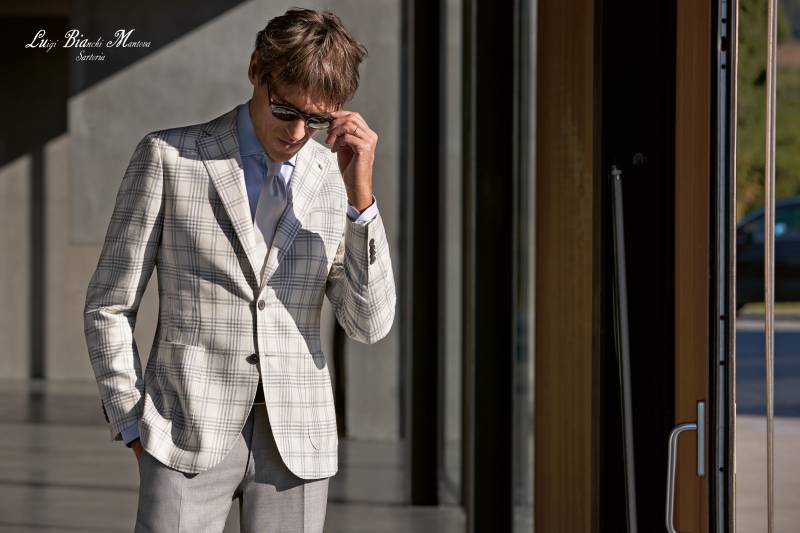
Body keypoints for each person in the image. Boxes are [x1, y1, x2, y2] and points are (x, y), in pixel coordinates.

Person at [83, 8, 396, 532]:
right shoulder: (170, 158)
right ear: (256, 69)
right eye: (285, 109)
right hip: (183, 434)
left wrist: (361, 199)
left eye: (315, 120)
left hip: (297, 442)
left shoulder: (335, 180)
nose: (298, 133)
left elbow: (370, 324)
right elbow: (108, 305)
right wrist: (133, 423)